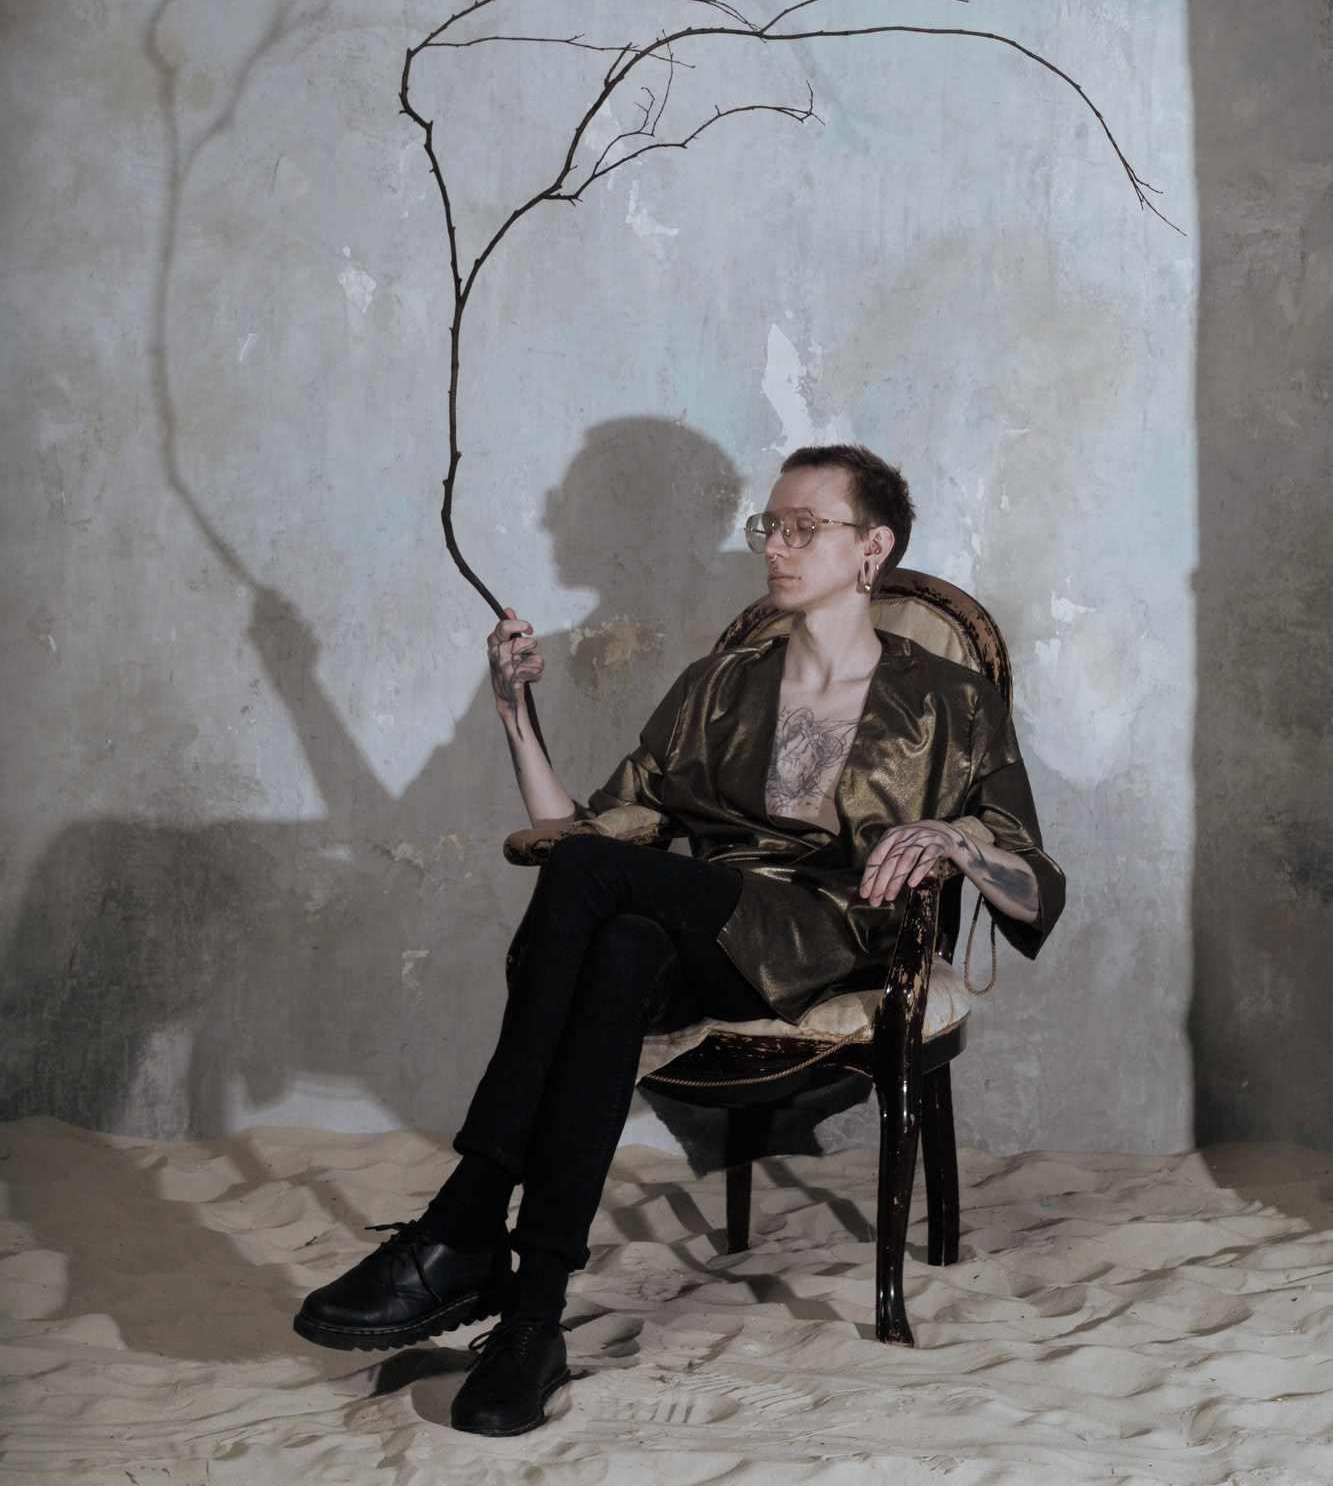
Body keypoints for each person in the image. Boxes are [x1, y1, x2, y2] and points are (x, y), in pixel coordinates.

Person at [293, 443, 1065, 1436]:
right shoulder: (719, 684)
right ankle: (531, 1325)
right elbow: (586, 836)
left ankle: (466, 1219)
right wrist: (513, 711)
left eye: (803, 527)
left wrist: (954, 840)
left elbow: (1029, 874)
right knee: (616, 949)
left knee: (599, 895)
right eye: (768, 525)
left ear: (871, 548)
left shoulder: (949, 698)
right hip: (717, 929)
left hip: (836, 930)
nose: (774, 545)